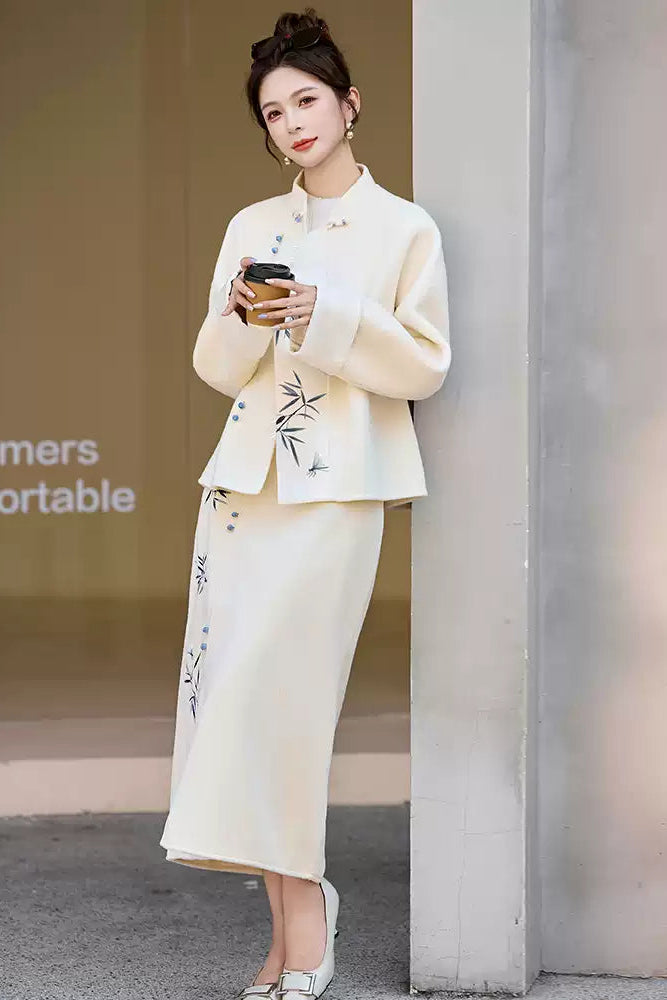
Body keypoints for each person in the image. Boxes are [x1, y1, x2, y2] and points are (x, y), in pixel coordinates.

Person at [159, 8, 451, 999]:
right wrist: (245, 313)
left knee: (288, 708)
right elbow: (213, 365)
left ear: (349, 104)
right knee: (237, 704)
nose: (292, 122)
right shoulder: (252, 226)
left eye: (307, 101)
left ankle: (306, 925)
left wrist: (325, 315)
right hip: (243, 492)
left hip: (339, 496)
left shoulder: (404, 229)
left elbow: (422, 364)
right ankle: (296, 918)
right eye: (274, 111)